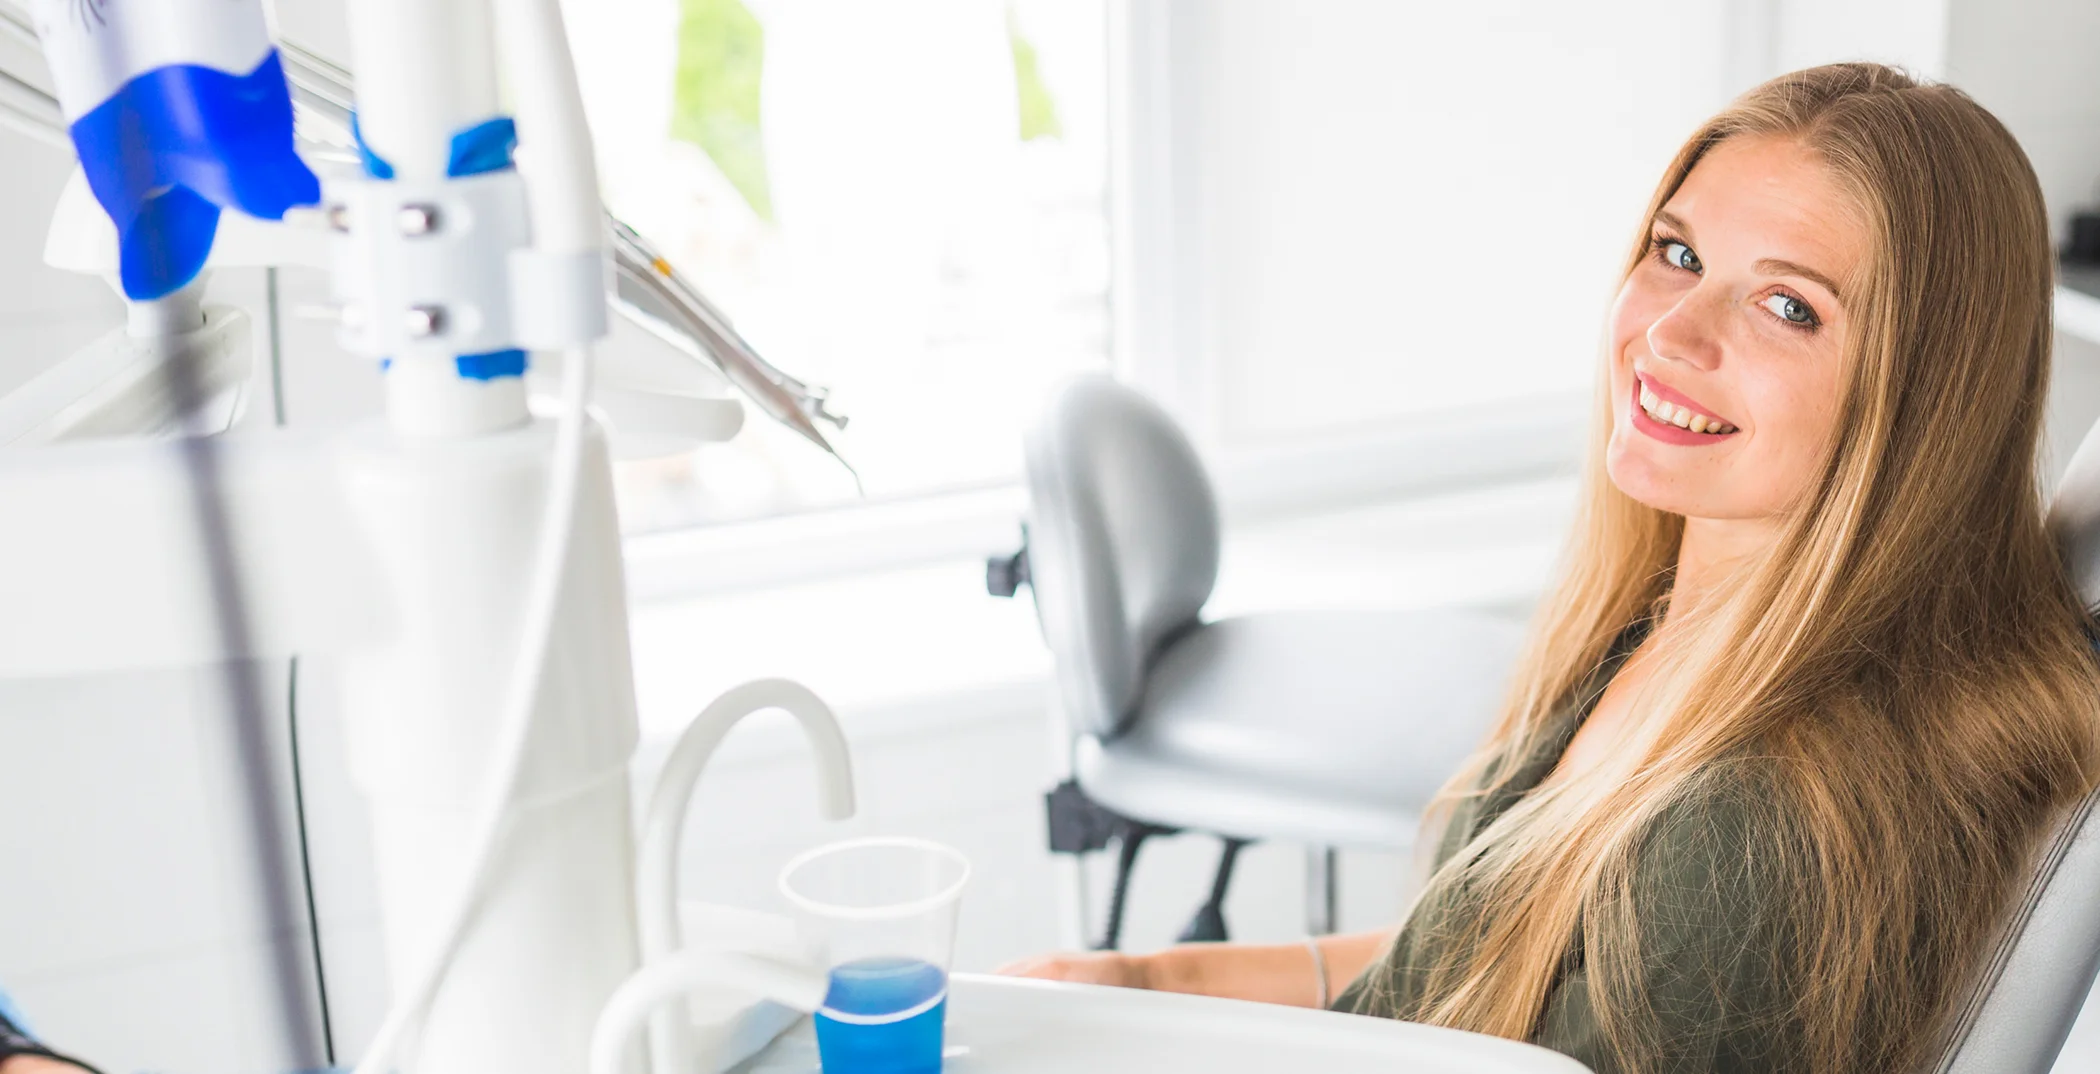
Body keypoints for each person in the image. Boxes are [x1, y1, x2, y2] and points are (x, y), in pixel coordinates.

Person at [1000, 62, 2100, 1074]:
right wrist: (1152, 982)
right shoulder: (1674, 625)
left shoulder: (1750, 840)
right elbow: (1484, 957)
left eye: (1787, 306)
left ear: (1923, 399)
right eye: (1677, 254)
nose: (1670, 333)